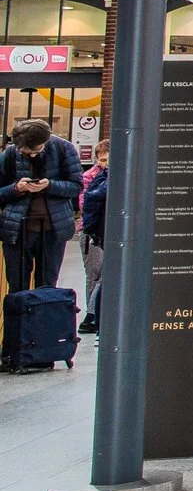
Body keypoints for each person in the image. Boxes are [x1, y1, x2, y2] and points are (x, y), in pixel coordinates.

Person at [0, 117, 78, 298]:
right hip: (17, 231)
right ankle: (18, 317)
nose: (30, 155)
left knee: (47, 287)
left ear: (45, 141)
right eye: (24, 151)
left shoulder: (64, 149)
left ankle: (41, 317)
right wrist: (16, 188)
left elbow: (76, 186)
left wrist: (49, 185)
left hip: (53, 230)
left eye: (34, 150)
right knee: (17, 287)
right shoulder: (10, 154)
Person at [75, 147, 107, 332]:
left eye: (108, 159)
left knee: (103, 275)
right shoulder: (91, 176)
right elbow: (83, 203)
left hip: (103, 231)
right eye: (102, 160)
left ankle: (94, 316)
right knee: (95, 275)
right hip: (91, 232)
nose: (105, 163)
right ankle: (91, 317)